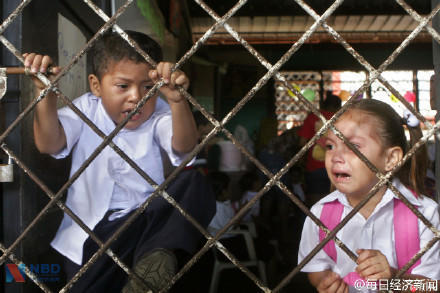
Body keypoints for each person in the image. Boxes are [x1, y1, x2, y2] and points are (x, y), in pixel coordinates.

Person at [26, 30, 215, 292]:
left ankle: (155, 266)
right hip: (92, 235)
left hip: (147, 232)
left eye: (148, 87)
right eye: (123, 86)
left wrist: (177, 101)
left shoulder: (159, 112)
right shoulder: (86, 109)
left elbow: (184, 147)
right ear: (96, 85)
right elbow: (49, 144)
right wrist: (45, 93)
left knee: (192, 181)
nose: (137, 97)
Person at [298, 99, 440, 293]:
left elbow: (433, 286)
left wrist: (393, 278)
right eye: (330, 146)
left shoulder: (424, 214)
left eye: (353, 147)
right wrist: (324, 281)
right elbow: (316, 267)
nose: (336, 156)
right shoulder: (320, 214)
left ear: (390, 159)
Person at [298, 93, 341, 207]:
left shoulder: (312, 117)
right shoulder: (341, 118)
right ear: (339, 107)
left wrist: (302, 162)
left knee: (316, 205)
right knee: (338, 204)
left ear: (323, 105)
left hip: (314, 166)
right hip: (338, 167)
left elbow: (302, 143)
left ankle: (317, 224)